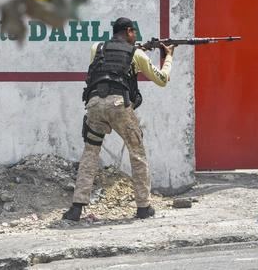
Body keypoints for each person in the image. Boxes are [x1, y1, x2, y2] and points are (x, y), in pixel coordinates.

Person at [63, 17, 175, 221]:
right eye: (135, 34)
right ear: (130, 31)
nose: (136, 37)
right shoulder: (137, 53)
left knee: (90, 153)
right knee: (137, 152)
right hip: (118, 106)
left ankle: (76, 208)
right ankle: (143, 207)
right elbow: (161, 80)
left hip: (94, 104)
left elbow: (107, 68)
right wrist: (168, 57)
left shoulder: (97, 47)